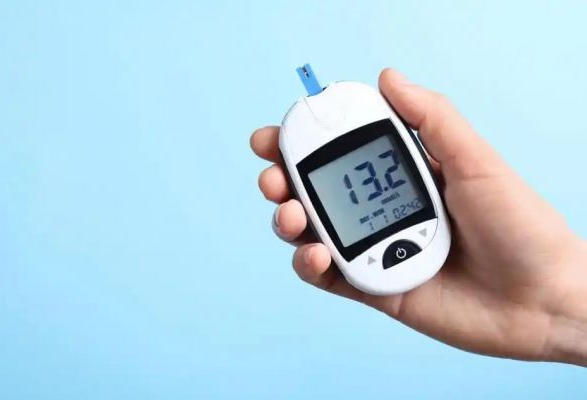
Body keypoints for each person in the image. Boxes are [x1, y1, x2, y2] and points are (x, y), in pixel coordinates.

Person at [250, 69, 587, 366]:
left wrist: (557, 299)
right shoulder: (344, 110)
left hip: (422, 253)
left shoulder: (355, 106)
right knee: (294, 218)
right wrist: (558, 313)